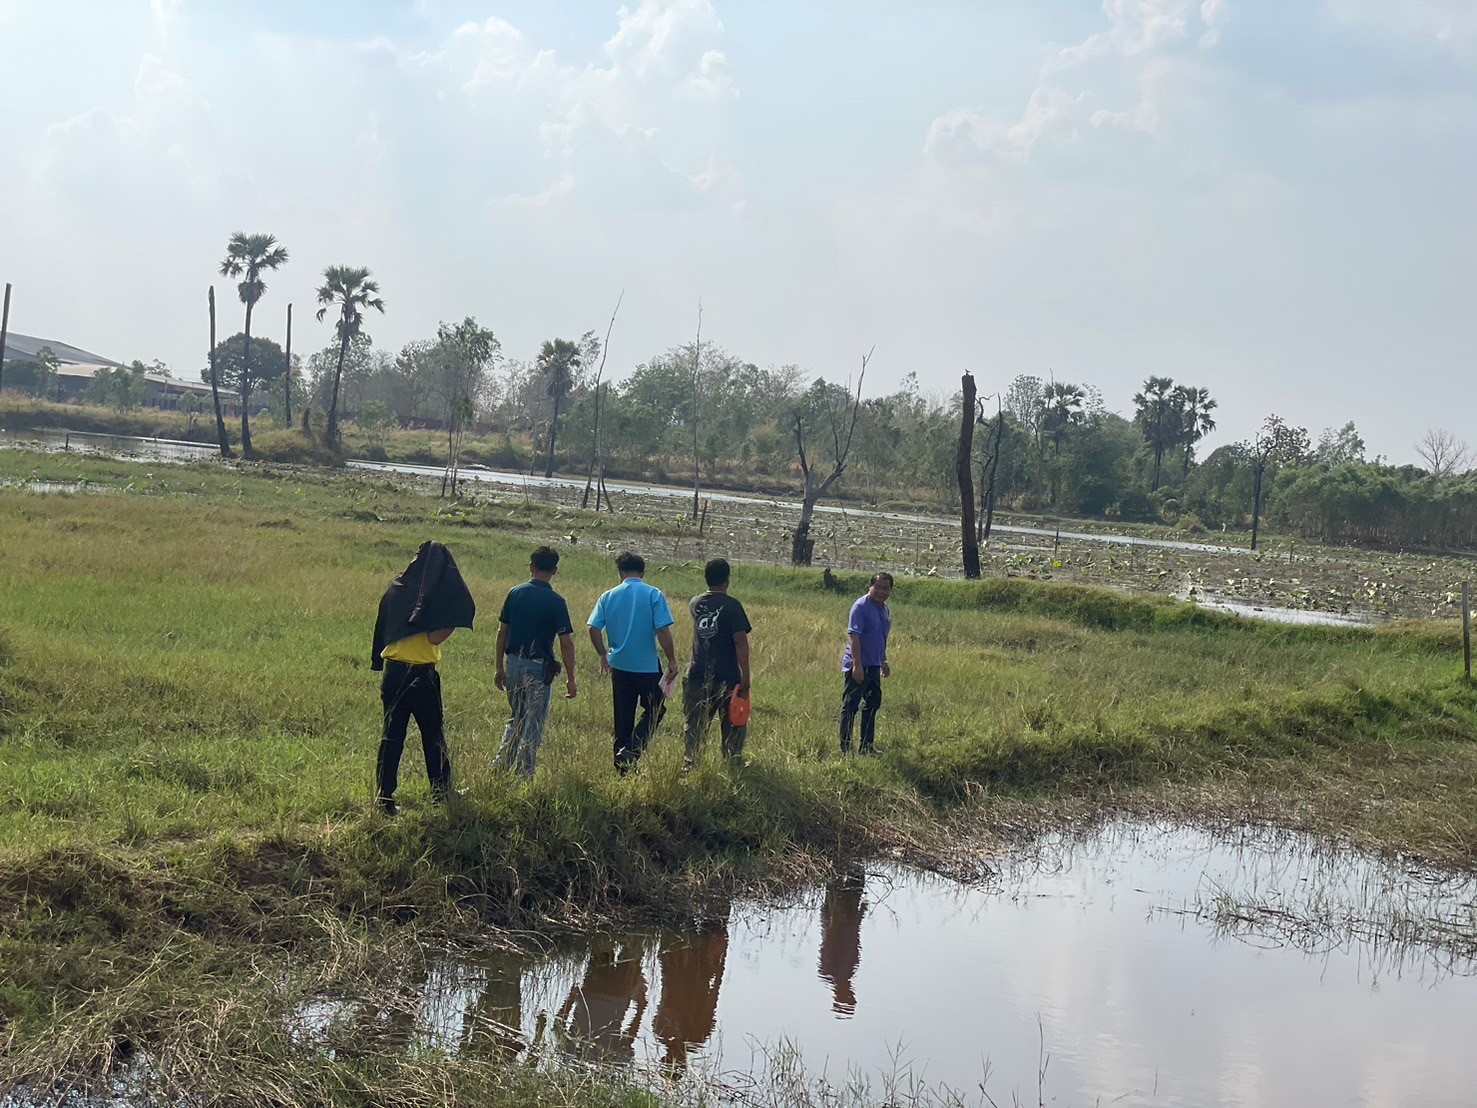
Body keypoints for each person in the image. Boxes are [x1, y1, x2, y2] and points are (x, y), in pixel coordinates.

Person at [370, 541, 476, 814]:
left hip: (393, 674)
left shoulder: (396, 588)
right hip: (422, 675)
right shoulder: (433, 598)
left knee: (391, 736)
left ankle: (384, 799)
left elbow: (382, 627)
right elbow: (433, 637)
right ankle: (442, 795)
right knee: (433, 735)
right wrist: (451, 621)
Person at [587, 551, 678, 774]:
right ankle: (633, 749)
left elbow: (593, 628)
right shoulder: (653, 594)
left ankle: (621, 767)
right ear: (643, 573)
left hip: (620, 665)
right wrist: (672, 660)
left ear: (620, 573)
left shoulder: (608, 596)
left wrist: (602, 654)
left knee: (623, 716)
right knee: (655, 710)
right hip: (647, 667)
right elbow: (662, 629)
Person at [494, 545, 578, 779]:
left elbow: (502, 632)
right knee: (534, 722)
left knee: (517, 716)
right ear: (555, 571)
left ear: (531, 567)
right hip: (538, 668)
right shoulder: (556, 602)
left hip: (513, 664)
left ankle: (501, 766)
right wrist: (571, 679)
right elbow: (566, 643)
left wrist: (499, 667)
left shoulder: (515, 593)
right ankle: (524, 774)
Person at [682, 557, 752, 770]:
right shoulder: (732, 606)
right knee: (733, 722)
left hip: (696, 672)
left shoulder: (695, 603)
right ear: (727, 580)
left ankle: (690, 763)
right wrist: (746, 678)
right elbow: (740, 642)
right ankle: (733, 761)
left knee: (695, 723)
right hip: (727, 676)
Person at [839, 571, 892, 755]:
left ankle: (866, 746)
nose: (880, 592)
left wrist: (883, 661)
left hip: (874, 666)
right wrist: (857, 665)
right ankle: (846, 749)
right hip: (859, 666)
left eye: (885, 588)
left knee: (872, 704)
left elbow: (880, 638)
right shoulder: (860, 607)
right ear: (870, 587)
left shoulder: (884, 609)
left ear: (890, 591)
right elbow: (854, 637)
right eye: (877, 587)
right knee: (850, 707)